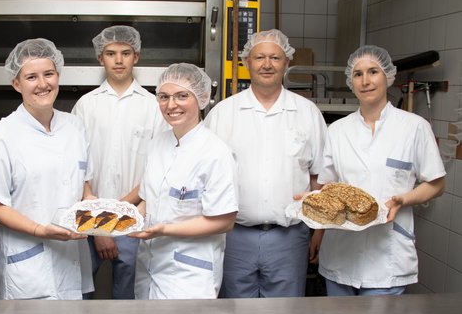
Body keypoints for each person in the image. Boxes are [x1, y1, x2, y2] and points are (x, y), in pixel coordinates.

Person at [312, 45, 445, 296]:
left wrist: (405, 199)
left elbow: (436, 184)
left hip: (388, 255)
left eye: (373, 72)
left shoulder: (414, 127)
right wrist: (315, 223)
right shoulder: (337, 131)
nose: (366, 81)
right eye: (358, 74)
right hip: (341, 252)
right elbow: (327, 188)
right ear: (351, 81)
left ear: (387, 77)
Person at [205, 29, 326, 298]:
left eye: (275, 57)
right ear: (246, 62)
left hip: (290, 238)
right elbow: (204, 177)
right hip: (234, 236)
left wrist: (318, 232)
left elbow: (319, 179)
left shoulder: (307, 113)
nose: (267, 64)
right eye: (259, 57)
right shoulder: (223, 114)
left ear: (287, 63)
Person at [0, 38, 94, 300]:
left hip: (72, 257)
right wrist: (40, 230)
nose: (42, 84)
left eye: (48, 74)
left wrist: (94, 206)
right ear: (16, 84)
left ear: (58, 76)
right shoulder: (2, 134)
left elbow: (84, 184)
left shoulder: (75, 126)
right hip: (28, 263)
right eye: (31, 77)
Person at [71, 25, 167, 299]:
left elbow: (159, 167)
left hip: (135, 218)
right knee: (80, 295)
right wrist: (99, 223)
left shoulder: (153, 106)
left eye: (126, 53)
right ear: (100, 59)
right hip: (89, 220)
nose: (119, 60)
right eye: (111, 54)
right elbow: (76, 166)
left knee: (129, 301)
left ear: (136, 57)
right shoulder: (86, 105)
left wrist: (119, 214)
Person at [131, 63, 238, 299]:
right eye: (164, 97)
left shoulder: (215, 153)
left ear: (200, 99)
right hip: (149, 267)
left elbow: (224, 221)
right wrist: (122, 220)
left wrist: (165, 230)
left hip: (189, 274)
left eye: (182, 96)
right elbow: (148, 201)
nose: (171, 105)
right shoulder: (157, 144)